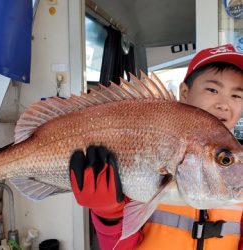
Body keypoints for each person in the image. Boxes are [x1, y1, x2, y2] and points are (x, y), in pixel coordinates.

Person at [69, 44, 243, 250]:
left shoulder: (238, 173)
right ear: (185, 93)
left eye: (237, 95)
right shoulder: (148, 146)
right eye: (213, 89)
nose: (224, 104)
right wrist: (108, 215)